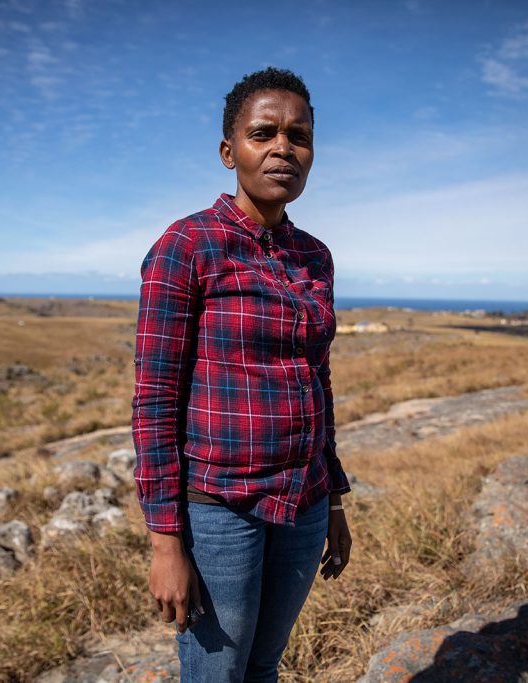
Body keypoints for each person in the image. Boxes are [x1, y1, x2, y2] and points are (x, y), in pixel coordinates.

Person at [131, 67, 352, 682]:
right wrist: (165, 543)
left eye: (299, 136)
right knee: (216, 676)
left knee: (262, 667)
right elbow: (154, 400)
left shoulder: (314, 255)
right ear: (230, 152)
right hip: (221, 510)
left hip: (303, 502)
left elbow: (320, 383)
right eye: (264, 133)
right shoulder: (189, 244)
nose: (284, 148)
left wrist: (333, 502)